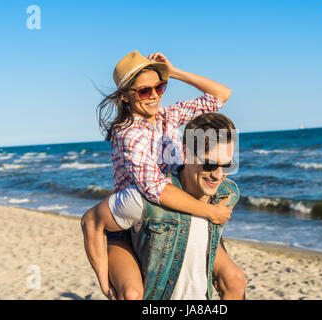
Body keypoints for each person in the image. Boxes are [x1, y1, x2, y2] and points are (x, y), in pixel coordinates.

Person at [83, 50, 243, 299]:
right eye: (144, 91)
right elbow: (156, 190)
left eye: (160, 86)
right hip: (132, 224)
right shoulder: (127, 134)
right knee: (132, 294)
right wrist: (213, 212)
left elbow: (221, 95)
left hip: (174, 210)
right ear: (125, 96)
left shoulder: (169, 116)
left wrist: (174, 71)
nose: (154, 96)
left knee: (235, 281)